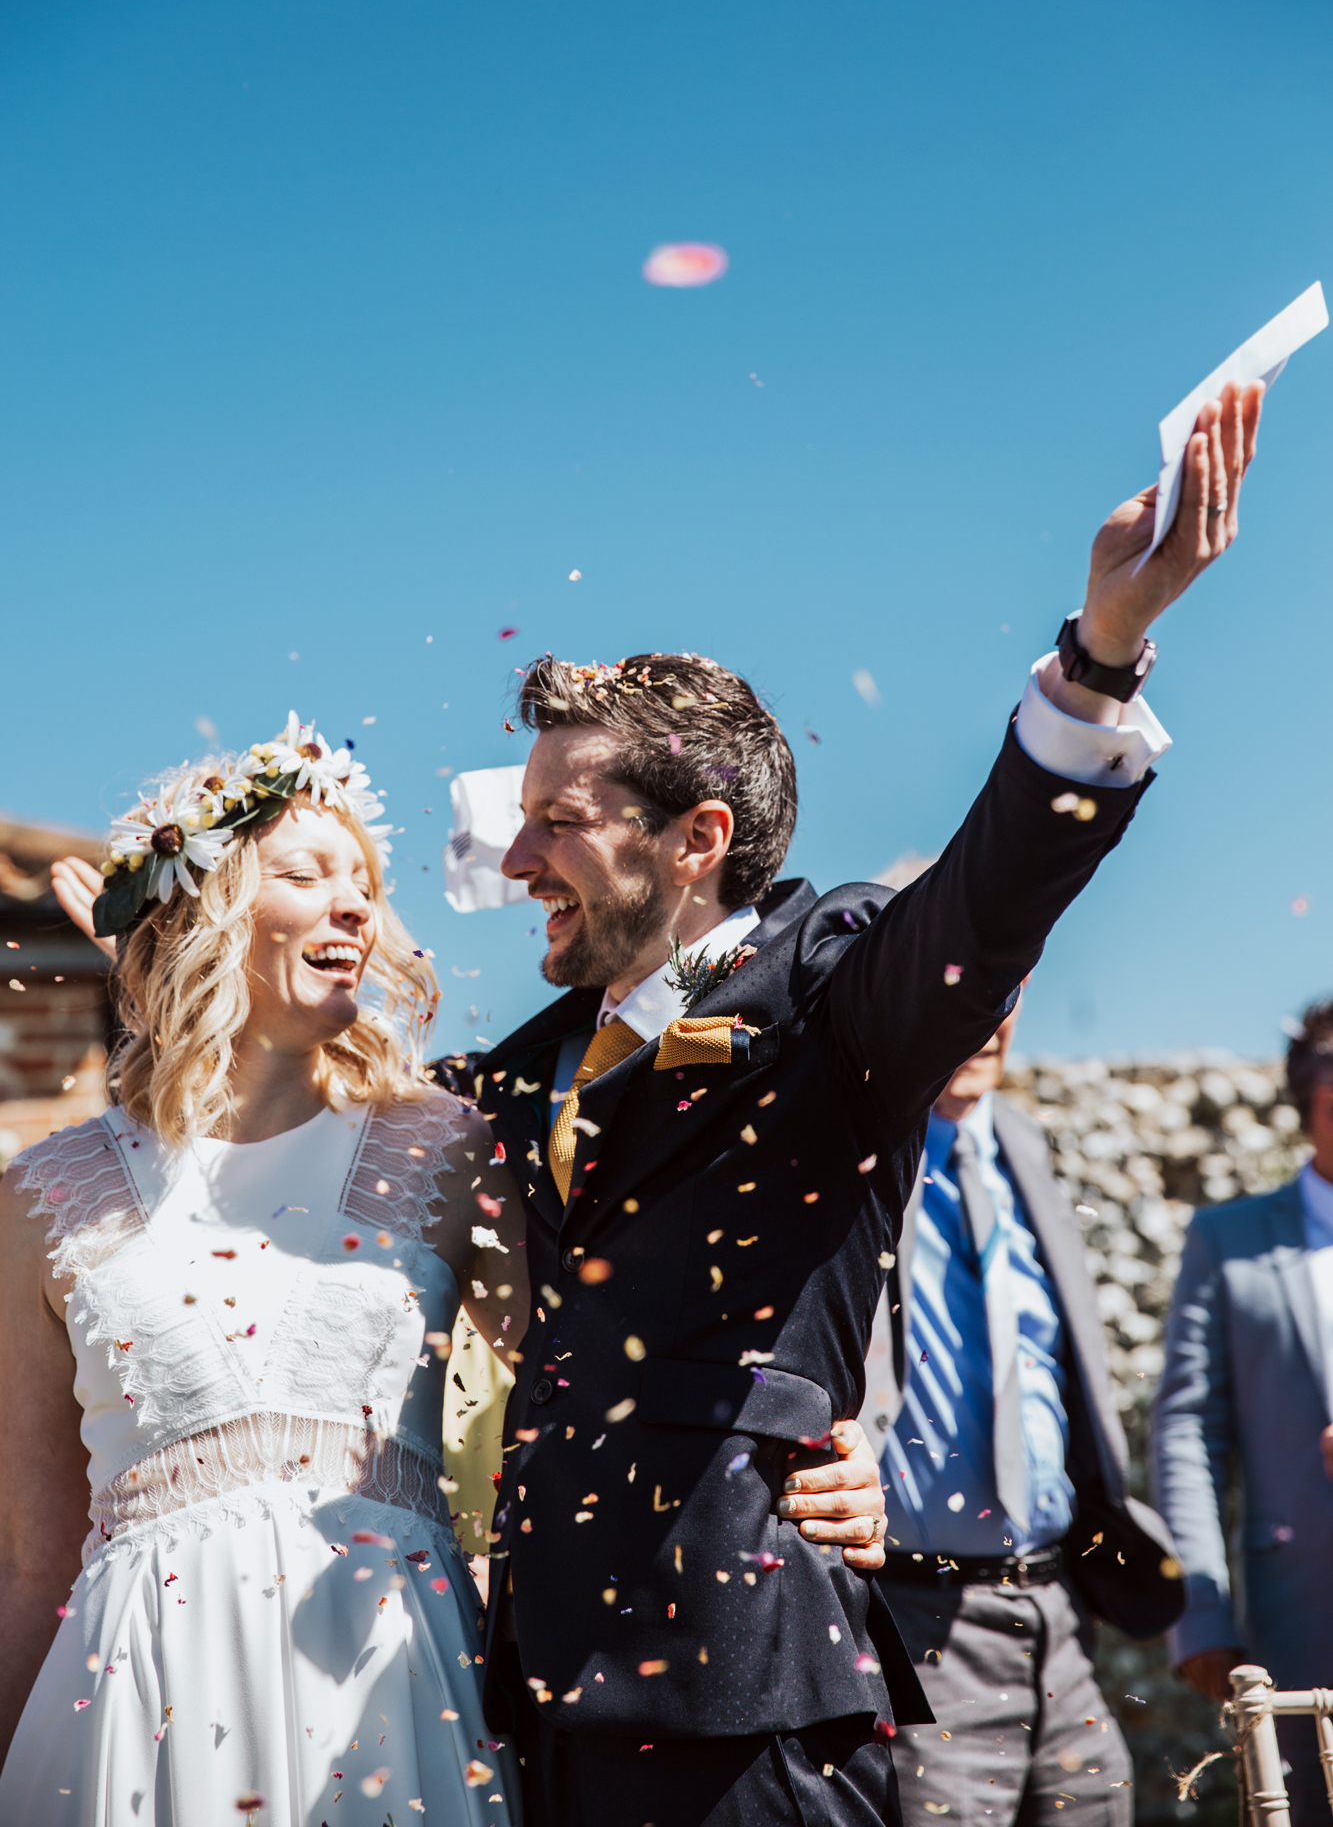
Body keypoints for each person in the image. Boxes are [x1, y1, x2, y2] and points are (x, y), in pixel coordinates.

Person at [439, 382, 1263, 1827]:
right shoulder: (510, 1074)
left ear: (694, 842)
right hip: (541, 1703)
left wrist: (1102, 650)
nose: (516, 862)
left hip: (747, 1695)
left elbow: (986, 901)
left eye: (556, 822)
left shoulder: (825, 997)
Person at [0, 718, 529, 1824]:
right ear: (203, 911)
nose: (356, 906)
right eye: (304, 872)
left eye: (365, 883)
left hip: (392, 1687)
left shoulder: (448, 1146)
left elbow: (579, 1412)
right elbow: (33, 1561)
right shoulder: (41, 1193)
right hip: (134, 1704)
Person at [863, 999, 1183, 1827]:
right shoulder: (849, 1161)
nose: (981, 1018)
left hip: (1060, 1615)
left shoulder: (1023, 1148)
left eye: (1003, 992)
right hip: (920, 1622)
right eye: (955, 988)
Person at [1152, 996, 1333, 1827]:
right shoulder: (1228, 1242)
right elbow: (1188, 1428)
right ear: (1309, 1102)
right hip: (1297, 1625)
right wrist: (1199, 1608)